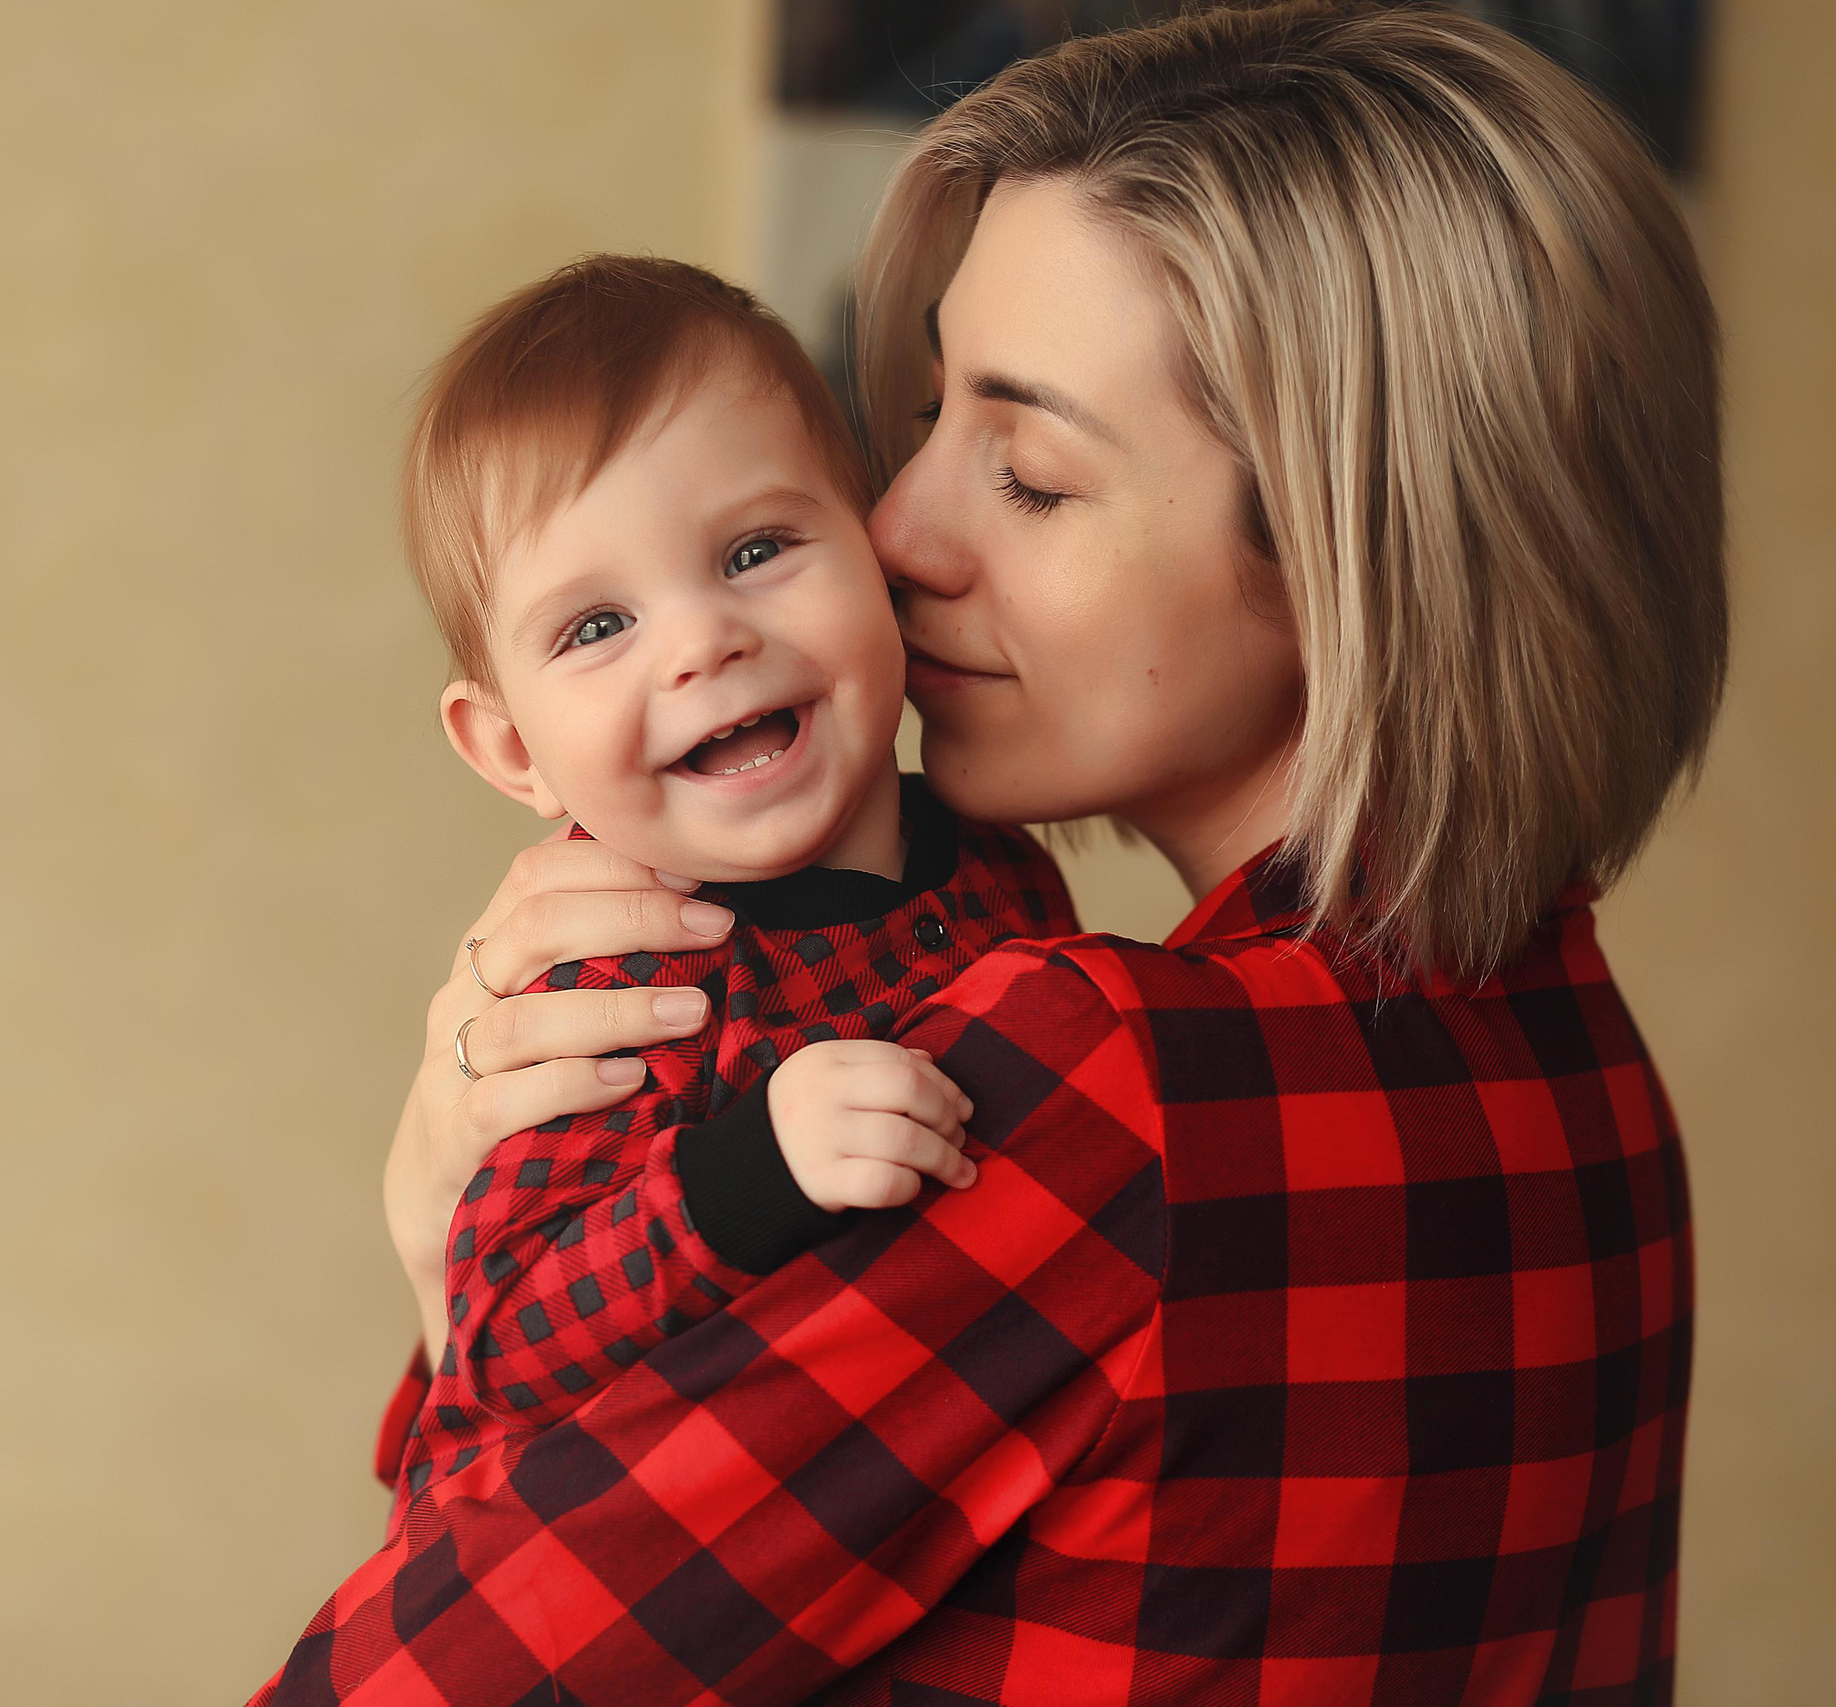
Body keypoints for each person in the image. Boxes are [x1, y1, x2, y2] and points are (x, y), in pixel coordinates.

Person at [264, 3, 1720, 1701]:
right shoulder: (1595, 1076)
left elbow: (408, 1679)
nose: (894, 528)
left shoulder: (1098, 1093)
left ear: (1351, 555)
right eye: (932, 407)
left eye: (1026, 473)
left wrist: (443, 1239)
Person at [378, 257, 1078, 1521]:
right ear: (512, 749)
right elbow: (501, 1349)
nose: (704, 641)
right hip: (588, 1591)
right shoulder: (619, 988)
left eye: (756, 550)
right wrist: (746, 1170)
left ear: (876, 550)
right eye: (596, 627)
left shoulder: (1003, 873)